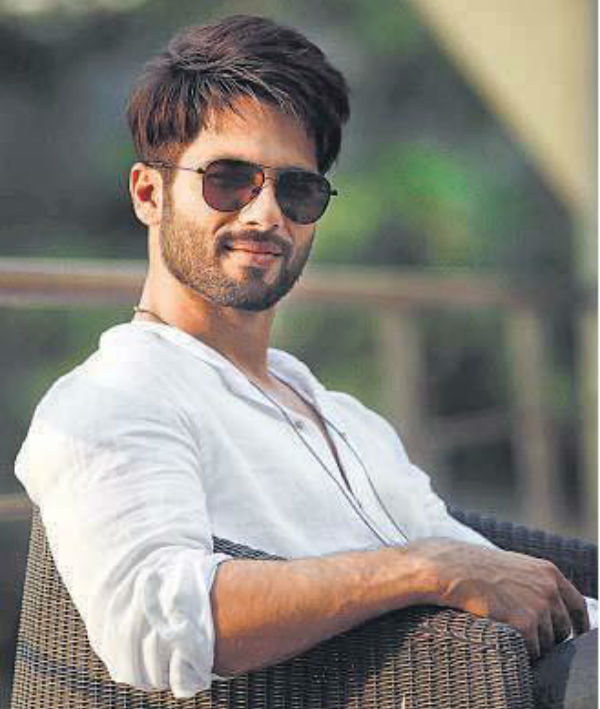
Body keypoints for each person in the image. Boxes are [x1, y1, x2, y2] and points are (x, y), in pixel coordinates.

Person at [15, 14, 596, 707]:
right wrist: (423, 568)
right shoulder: (115, 397)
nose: (266, 214)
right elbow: (158, 625)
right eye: (229, 180)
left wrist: (453, 562)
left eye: (297, 190)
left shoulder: (341, 412)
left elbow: (457, 548)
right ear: (149, 193)